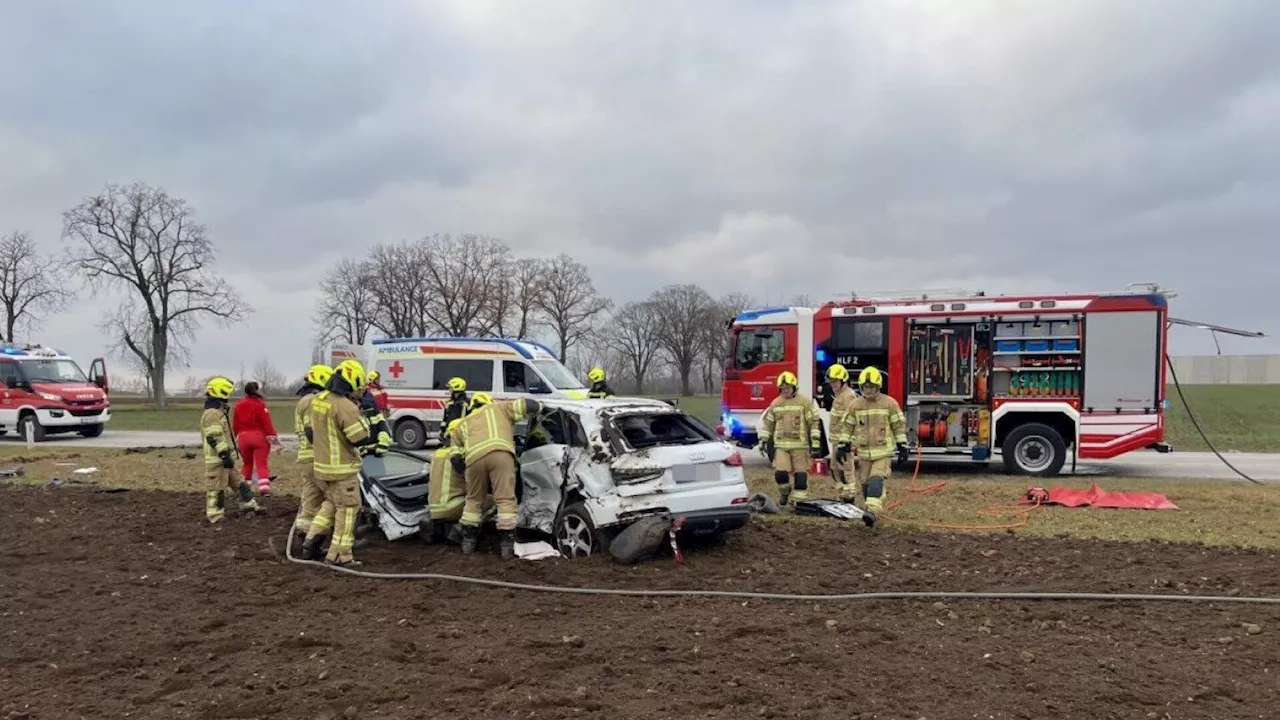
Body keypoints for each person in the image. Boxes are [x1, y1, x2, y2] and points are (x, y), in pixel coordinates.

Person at [300, 359, 374, 566]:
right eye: (359, 387)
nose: (360, 392)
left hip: (322, 468)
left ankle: (311, 542)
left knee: (331, 504)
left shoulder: (320, 399)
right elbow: (359, 437)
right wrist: (364, 418)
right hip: (341, 469)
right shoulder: (345, 406)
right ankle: (340, 555)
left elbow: (311, 431)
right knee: (349, 509)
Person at [450, 391, 541, 559]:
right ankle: (506, 545)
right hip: (500, 455)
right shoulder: (500, 407)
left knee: (473, 500)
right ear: (488, 401)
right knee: (505, 499)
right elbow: (529, 405)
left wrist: (467, 472)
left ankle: (468, 543)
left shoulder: (462, 424)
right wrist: (541, 408)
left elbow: (455, 458)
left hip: (474, 459)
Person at [838, 366, 908, 518]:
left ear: (878, 386)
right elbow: (847, 426)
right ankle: (871, 509)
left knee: (876, 480)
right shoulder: (855, 405)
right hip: (864, 454)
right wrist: (842, 445)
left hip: (883, 452)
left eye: (871, 386)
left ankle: (872, 513)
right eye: (865, 387)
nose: (868, 390)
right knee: (866, 486)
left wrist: (902, 445)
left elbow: (898, 425)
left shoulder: (889, 404)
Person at [756, 371, 822, 506]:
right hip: (781, 446)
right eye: (783, 388)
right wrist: (763, 440)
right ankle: (784, 492)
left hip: (800, 445)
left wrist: (815, 441)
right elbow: (768, 423)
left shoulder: (804, 402)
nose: (785, 391)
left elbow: (814, 422)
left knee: (800, 476)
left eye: (788, 388)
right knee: (780, 474)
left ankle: (799, 502)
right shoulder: (775, 403)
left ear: (794, 387)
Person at [201, 376, 261, 523]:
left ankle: (249, 506)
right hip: (218, 461)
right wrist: (223, 454)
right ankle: (215, 515)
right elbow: (214, 436)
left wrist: (229, 456)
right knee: (216, 489)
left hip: (227, 459)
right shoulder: (211, 414)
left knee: (239, 484)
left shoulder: (219, 411)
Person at [292, 364, 333, 537]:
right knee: (334, 498)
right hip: (316, 457)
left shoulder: (304, 400)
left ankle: (304, 529)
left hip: (306, 459)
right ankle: (318, 535)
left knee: (310, 498)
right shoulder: (312, 401)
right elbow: (312, 431)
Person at [232, 381, 280, 496]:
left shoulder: (238, 405)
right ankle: (264, 489)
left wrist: (237, 437)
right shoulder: (260, 405)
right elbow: (267, 424)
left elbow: (235, 424)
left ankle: (245, 490)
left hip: (243, 438)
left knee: (247, 464)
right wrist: (274, 438)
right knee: (261, 465)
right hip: (259, 438)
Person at [424, 417, 468, 543]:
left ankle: (438, 527)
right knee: (490, 501)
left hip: (433, 509)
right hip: (451, 507)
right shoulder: (460, 456)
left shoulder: (436, 454)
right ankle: (459, 529)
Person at [825, 364, 860, 504]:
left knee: (846, 468)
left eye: (835, 381)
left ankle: (850, 497)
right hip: (836, 440)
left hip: (844, 441)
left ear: (843, 381)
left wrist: (847, 443)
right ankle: (842, 494)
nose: (832, 384)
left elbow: (852, 421)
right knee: (834, 467)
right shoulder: (839, 395)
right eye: (831, 382)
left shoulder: (848, 396)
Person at [439, 376, 469, 442]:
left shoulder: (466, 404)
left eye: (450, 388)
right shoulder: (449, 403)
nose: (449, 390)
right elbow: (445, 419)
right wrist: (441, 431)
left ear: (456, 388)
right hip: (449, 435)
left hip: (460, 436)